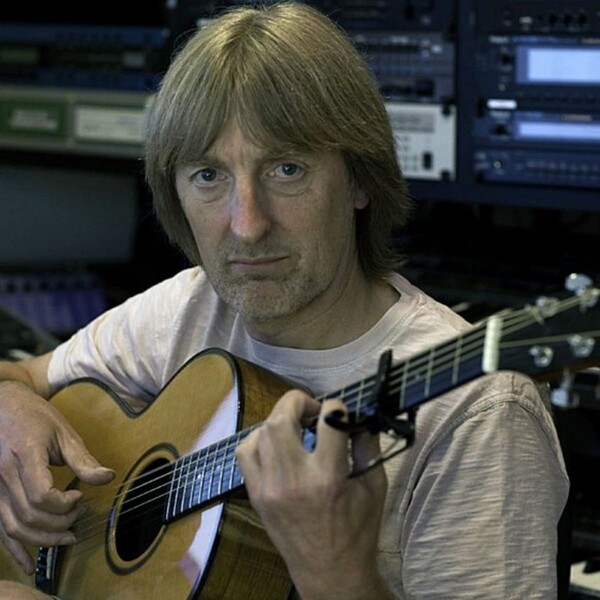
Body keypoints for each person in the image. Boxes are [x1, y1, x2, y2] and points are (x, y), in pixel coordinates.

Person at [0, 2, 569, 599]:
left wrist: (336, 571)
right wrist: (12, 405)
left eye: (287, 169)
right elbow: (22, 374)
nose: (247, 226)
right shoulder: (188, 310)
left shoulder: (478, 412)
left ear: (359, 180)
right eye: (208, 176)